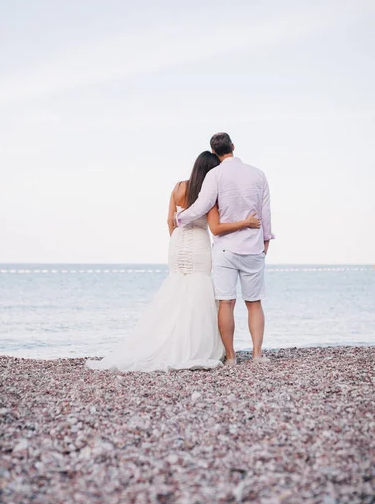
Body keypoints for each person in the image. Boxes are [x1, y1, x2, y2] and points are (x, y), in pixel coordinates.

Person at [86, 151, 260, 372]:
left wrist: (176, 242)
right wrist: (246, 223)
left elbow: (170, 220)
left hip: (178, 242)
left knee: (177, 288)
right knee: (199, 290)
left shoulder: (178, 187)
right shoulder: (209, 194)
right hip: (198, 243)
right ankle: (195, 345)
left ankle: (167, 339)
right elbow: (215, 227)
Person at [177, 134, 275, 365]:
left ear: (214, 152)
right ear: (233, 146)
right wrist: (266, 240)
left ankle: (230, 357)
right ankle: (257, 354)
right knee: (254, 303)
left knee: (226, 302)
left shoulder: (215, 174)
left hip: (225, 250)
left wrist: (181, 217)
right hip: (252, 247)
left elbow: (202, 205)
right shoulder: (258, 174)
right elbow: (265, 211)